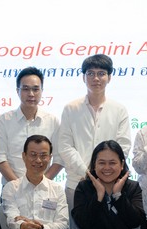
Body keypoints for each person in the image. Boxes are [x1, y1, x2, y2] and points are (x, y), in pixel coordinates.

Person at [56, 54, 132, 210]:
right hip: (77, 183)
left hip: (110, 184)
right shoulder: (71, 109)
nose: (96, 78)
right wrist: (87, 172)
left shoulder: (119, 109)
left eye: (101, 73)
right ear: (83, 77)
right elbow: (65, 145)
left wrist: (104, 171)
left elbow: (123, 146)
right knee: (76, 225)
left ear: (109, 77)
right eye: (90, 73)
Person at [0, 134, 70, 229]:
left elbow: (63, 224)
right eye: (33, 155)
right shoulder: (11, 188)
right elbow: (12, 218)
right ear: (24, 156)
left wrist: (41, 228)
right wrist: (23, 226)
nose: (38, 160)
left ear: (50, 158)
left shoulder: (57, 189)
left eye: (43, 156)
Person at [0, 67, 62, 184]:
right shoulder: (4, 121)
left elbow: (59, 159)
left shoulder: (52, 121)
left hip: (44, 188)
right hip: (11, 188)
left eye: (35, 89)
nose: (31, 94)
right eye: (25, 89)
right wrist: (18, 187)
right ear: (17, 91)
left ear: (42, 91)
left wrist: (42, 183)